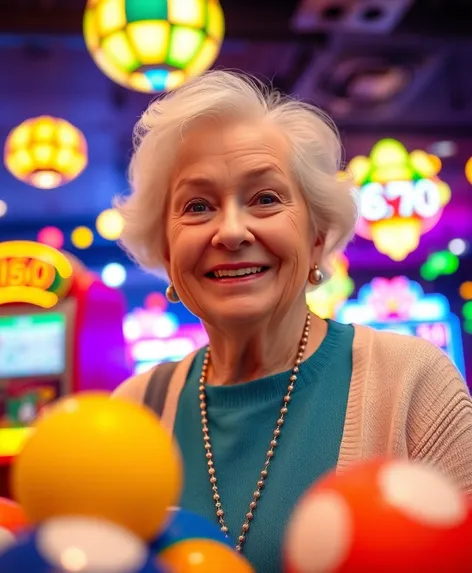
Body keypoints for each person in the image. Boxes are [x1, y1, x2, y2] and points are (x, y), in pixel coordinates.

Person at [113, 70, 472, 572]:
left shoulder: (413, 382)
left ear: (317, 237)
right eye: (198, 206)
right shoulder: (132, 415)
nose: (232, 231)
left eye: (265, 198)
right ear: (167, 251)